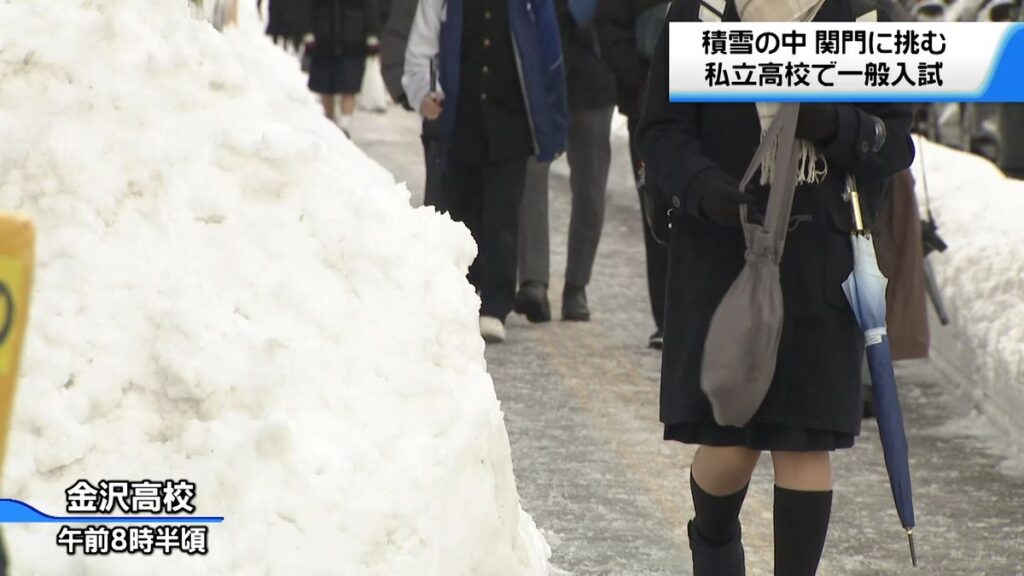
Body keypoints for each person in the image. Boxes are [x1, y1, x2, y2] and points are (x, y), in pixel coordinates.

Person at [637, 0, 915, 572]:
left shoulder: (863, 15)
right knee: (729, 448)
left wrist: (840, 126)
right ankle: (713, 544)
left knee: (804, 443)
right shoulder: (699, 11)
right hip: (720, 258)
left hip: (820, 263)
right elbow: (660, 128)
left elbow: (895, 143)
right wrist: (700, 183)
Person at [403, 0, 568, 343]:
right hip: (461, 119)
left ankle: (495, 304)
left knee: (503, 215)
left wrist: (553, 122)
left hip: (511, 121)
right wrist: (423, 92)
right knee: (462, 212)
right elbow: (424, 43)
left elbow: (549, 54)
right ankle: (466, 294)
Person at [514, 0, 617, 323]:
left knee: (590, 190)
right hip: (539, 76)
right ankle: (534, 282)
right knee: (531, 176)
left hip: (594, 80)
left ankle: (576, 285)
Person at [593, 0, 672, 348]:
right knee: (656, 211)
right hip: (646, 107)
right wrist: (644, 80)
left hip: (708, 105)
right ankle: (667, 319)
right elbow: (609, 29)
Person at [306, 0, 381, 136]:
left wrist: (372, 34)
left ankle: (344, 126)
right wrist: (307, 31)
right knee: (326, 86)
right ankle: (329, 123)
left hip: (353, 39)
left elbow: (370, 6)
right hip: (325, 39)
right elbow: (307, 6)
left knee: (349, 86)